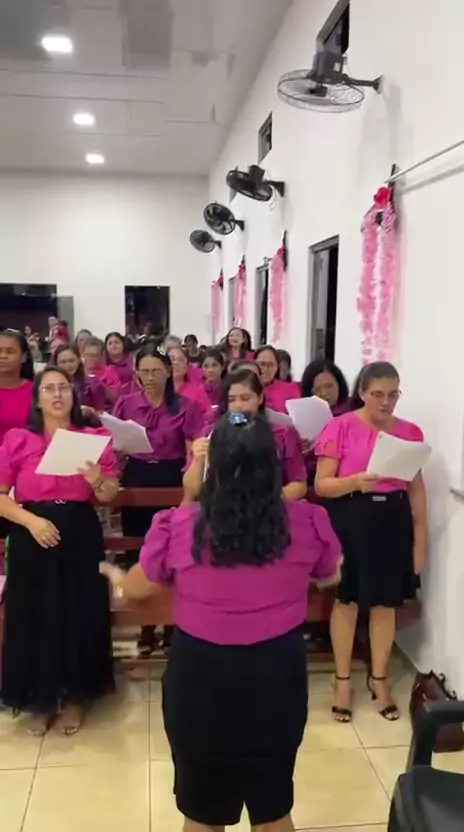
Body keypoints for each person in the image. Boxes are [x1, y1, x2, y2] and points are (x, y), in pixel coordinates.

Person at [101, 413, 341, 832]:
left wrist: (116, 576)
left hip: (201, 676)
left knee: (203, 812)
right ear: (273, 465)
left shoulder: (178, 524)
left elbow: (139, 587)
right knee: (272, 809)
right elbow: (330, 573)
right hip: (277, 673)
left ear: (213, 465)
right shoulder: (307, 521)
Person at [0, 367, 119, 736]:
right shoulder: (19, 439)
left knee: (79, 612)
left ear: (73, 394)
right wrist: (31, 522)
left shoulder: (94, 437)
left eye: (63, 388)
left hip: (78, 532)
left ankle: (76, 698)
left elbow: (109, 494)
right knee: (35, 614)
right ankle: (39, 699)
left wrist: (97, 478)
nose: (56, 395)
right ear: (37, 399)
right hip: (31, 532)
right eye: (48, 389)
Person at [314, 361, 427, 723]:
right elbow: (322, 485)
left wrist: (420, 542)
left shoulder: (409, 432)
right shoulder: (340, 427)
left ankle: (379, 679)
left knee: (385, 604)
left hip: (392, 520)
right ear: (362, 393)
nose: (386, 402)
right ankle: (343, 680)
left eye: (393, 394)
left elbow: (416, 490)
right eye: (378, 394)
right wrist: (354, 482)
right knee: (347, 601)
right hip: (351, 518)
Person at [113, 344, 203, 653]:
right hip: (136, 475)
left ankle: (172, 624)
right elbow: (115, 444)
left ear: (168, 371)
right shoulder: (126, 403)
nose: (149, 377)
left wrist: (189, 486)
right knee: (139, 550)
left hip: (171, 476)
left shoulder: (186, 407)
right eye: (144, 371)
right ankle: (146, 625)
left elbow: (192, 450)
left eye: (155, 371)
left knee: (173, 551)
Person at [183, 369, 307, 502]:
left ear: (260, 398)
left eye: (245, 398)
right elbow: (191, 492)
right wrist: (198, 461)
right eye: (231, 400)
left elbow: (299, 484)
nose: (238, 405)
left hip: (270, 508)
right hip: (218, 509)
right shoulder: (209, 434)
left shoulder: (283, 434)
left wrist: (268, 500)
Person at [301, 359, 350, 485]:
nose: (324, 393)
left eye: (329, 386)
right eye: (317, 389)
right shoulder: (303, 414)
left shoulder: (354, 411)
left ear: (339, 384)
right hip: (311, 477)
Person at [54, 344, 107, 420]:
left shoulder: (93, 385)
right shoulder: (50, 386)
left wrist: (92, 412)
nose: (68, 365)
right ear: (56, 363)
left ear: (79, 360)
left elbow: (102, 416)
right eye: (63, 362)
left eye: (71, 361)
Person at [254, 346, 300, 413]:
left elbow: (295, 416)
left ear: (277, 368)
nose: (266, 369)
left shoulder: (290, 389)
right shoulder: (244, 387)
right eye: (262, 364)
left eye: (270, 365)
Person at [167, 346, 211, 416]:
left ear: (187, 368)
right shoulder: (158, 393)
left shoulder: (198, 393)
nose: (176, 363)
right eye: (172, 359)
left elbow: (209, 417)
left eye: (180, 360)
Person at [81, 336, 121, 405]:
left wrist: (101, 387)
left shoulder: (109, 372)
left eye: (95, 355)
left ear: (102, 355)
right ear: (83, 355)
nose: (91, 358)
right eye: (88, 355)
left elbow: (116, 398)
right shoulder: (78, 372)